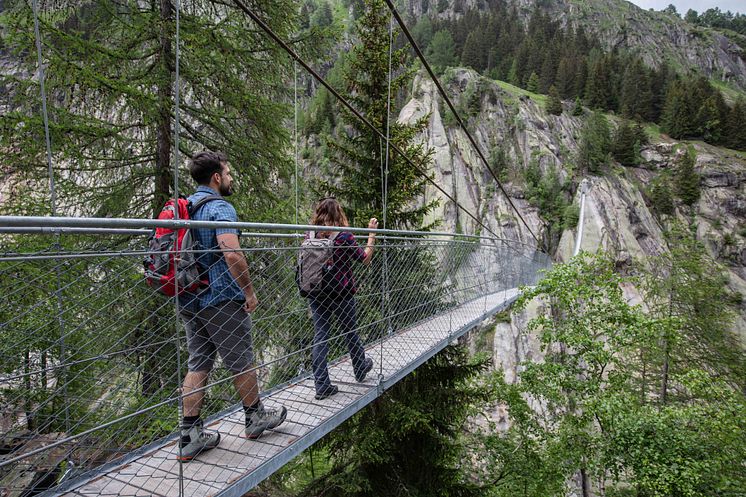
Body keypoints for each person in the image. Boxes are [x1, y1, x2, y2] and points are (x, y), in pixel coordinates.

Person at [177, 151, 286, 461]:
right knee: (241, 360)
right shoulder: (219, 207)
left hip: (189, 296)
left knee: (198, 362)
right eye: (228, 173)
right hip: (221, 297)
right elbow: (232, 253)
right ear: (216, 178)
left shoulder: (187, 207)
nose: (231, 178)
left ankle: (189, 434)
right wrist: (249, 291)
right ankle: (255, 418)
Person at [306, 198, 378, 400]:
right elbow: (364, 259)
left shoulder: (309, 233)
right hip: (341, 292)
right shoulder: (343, 236)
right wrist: (371, 235)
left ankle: (321, 384)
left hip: (316, 291)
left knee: (321, 335)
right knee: (350, 331)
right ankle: (360, 367)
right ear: (338, 214)